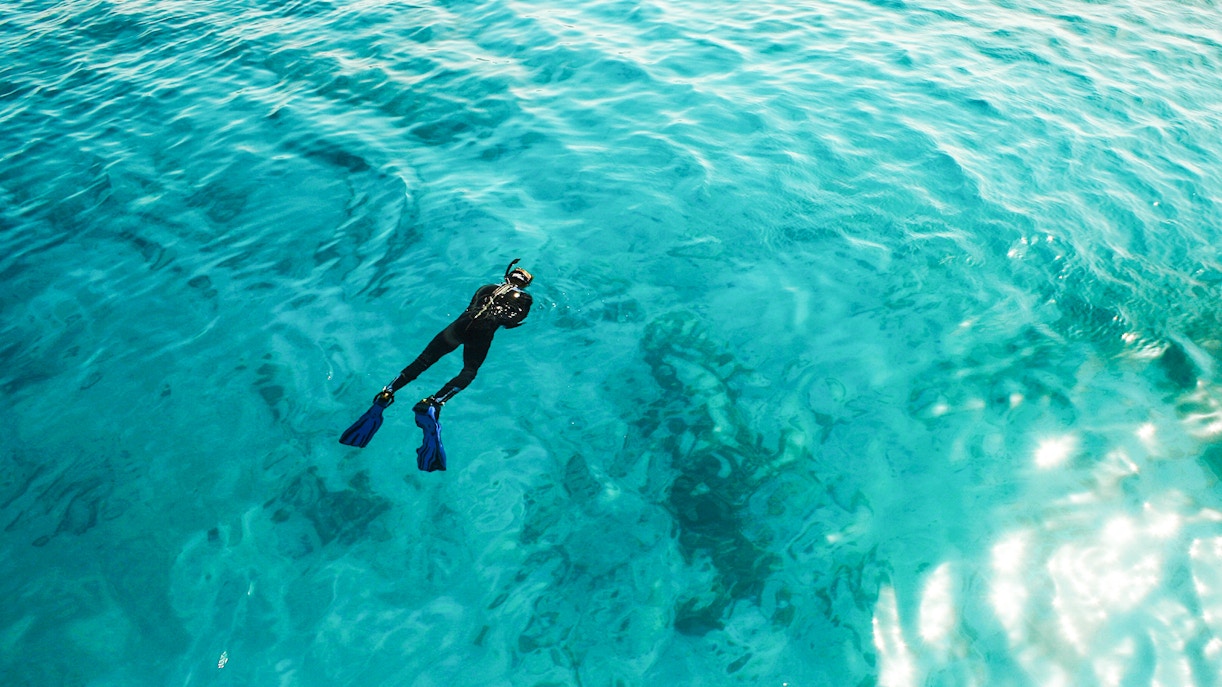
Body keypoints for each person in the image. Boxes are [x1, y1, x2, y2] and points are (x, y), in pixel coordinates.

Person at [338, 259, 533, 450]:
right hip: (482, 333)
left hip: (459, 326)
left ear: (506, 276)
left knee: (424, 360)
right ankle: (434, 402)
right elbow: (510, 323)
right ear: (525, 284)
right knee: (469, 370)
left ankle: (388, 392)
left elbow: (471, 307)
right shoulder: (525, 298)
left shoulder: (486, 288)